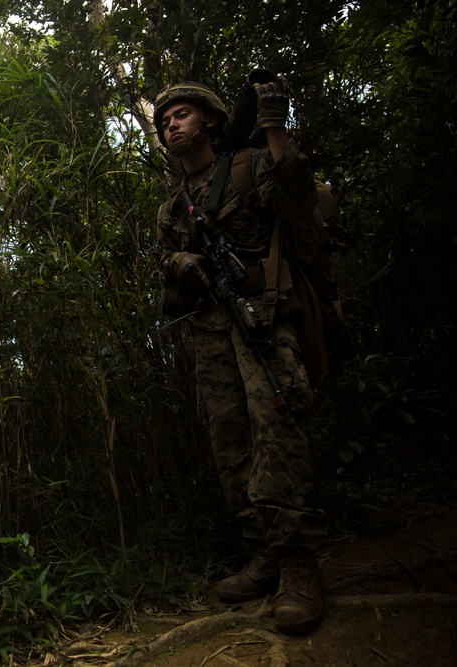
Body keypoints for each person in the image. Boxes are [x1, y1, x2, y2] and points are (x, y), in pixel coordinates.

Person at [153, 79, 327, 635]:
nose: (170, 126)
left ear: (208, 121)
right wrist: (179, 262)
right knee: (229, 436)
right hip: (210, 327)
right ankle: (264, 556)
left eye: (180, 115)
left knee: (278, 423)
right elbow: (165, 257)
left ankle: (298, 561)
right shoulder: (172, 206)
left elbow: (295, 199)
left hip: (263, 314)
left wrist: (275, 125)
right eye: (163, 122)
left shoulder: (251, 165)